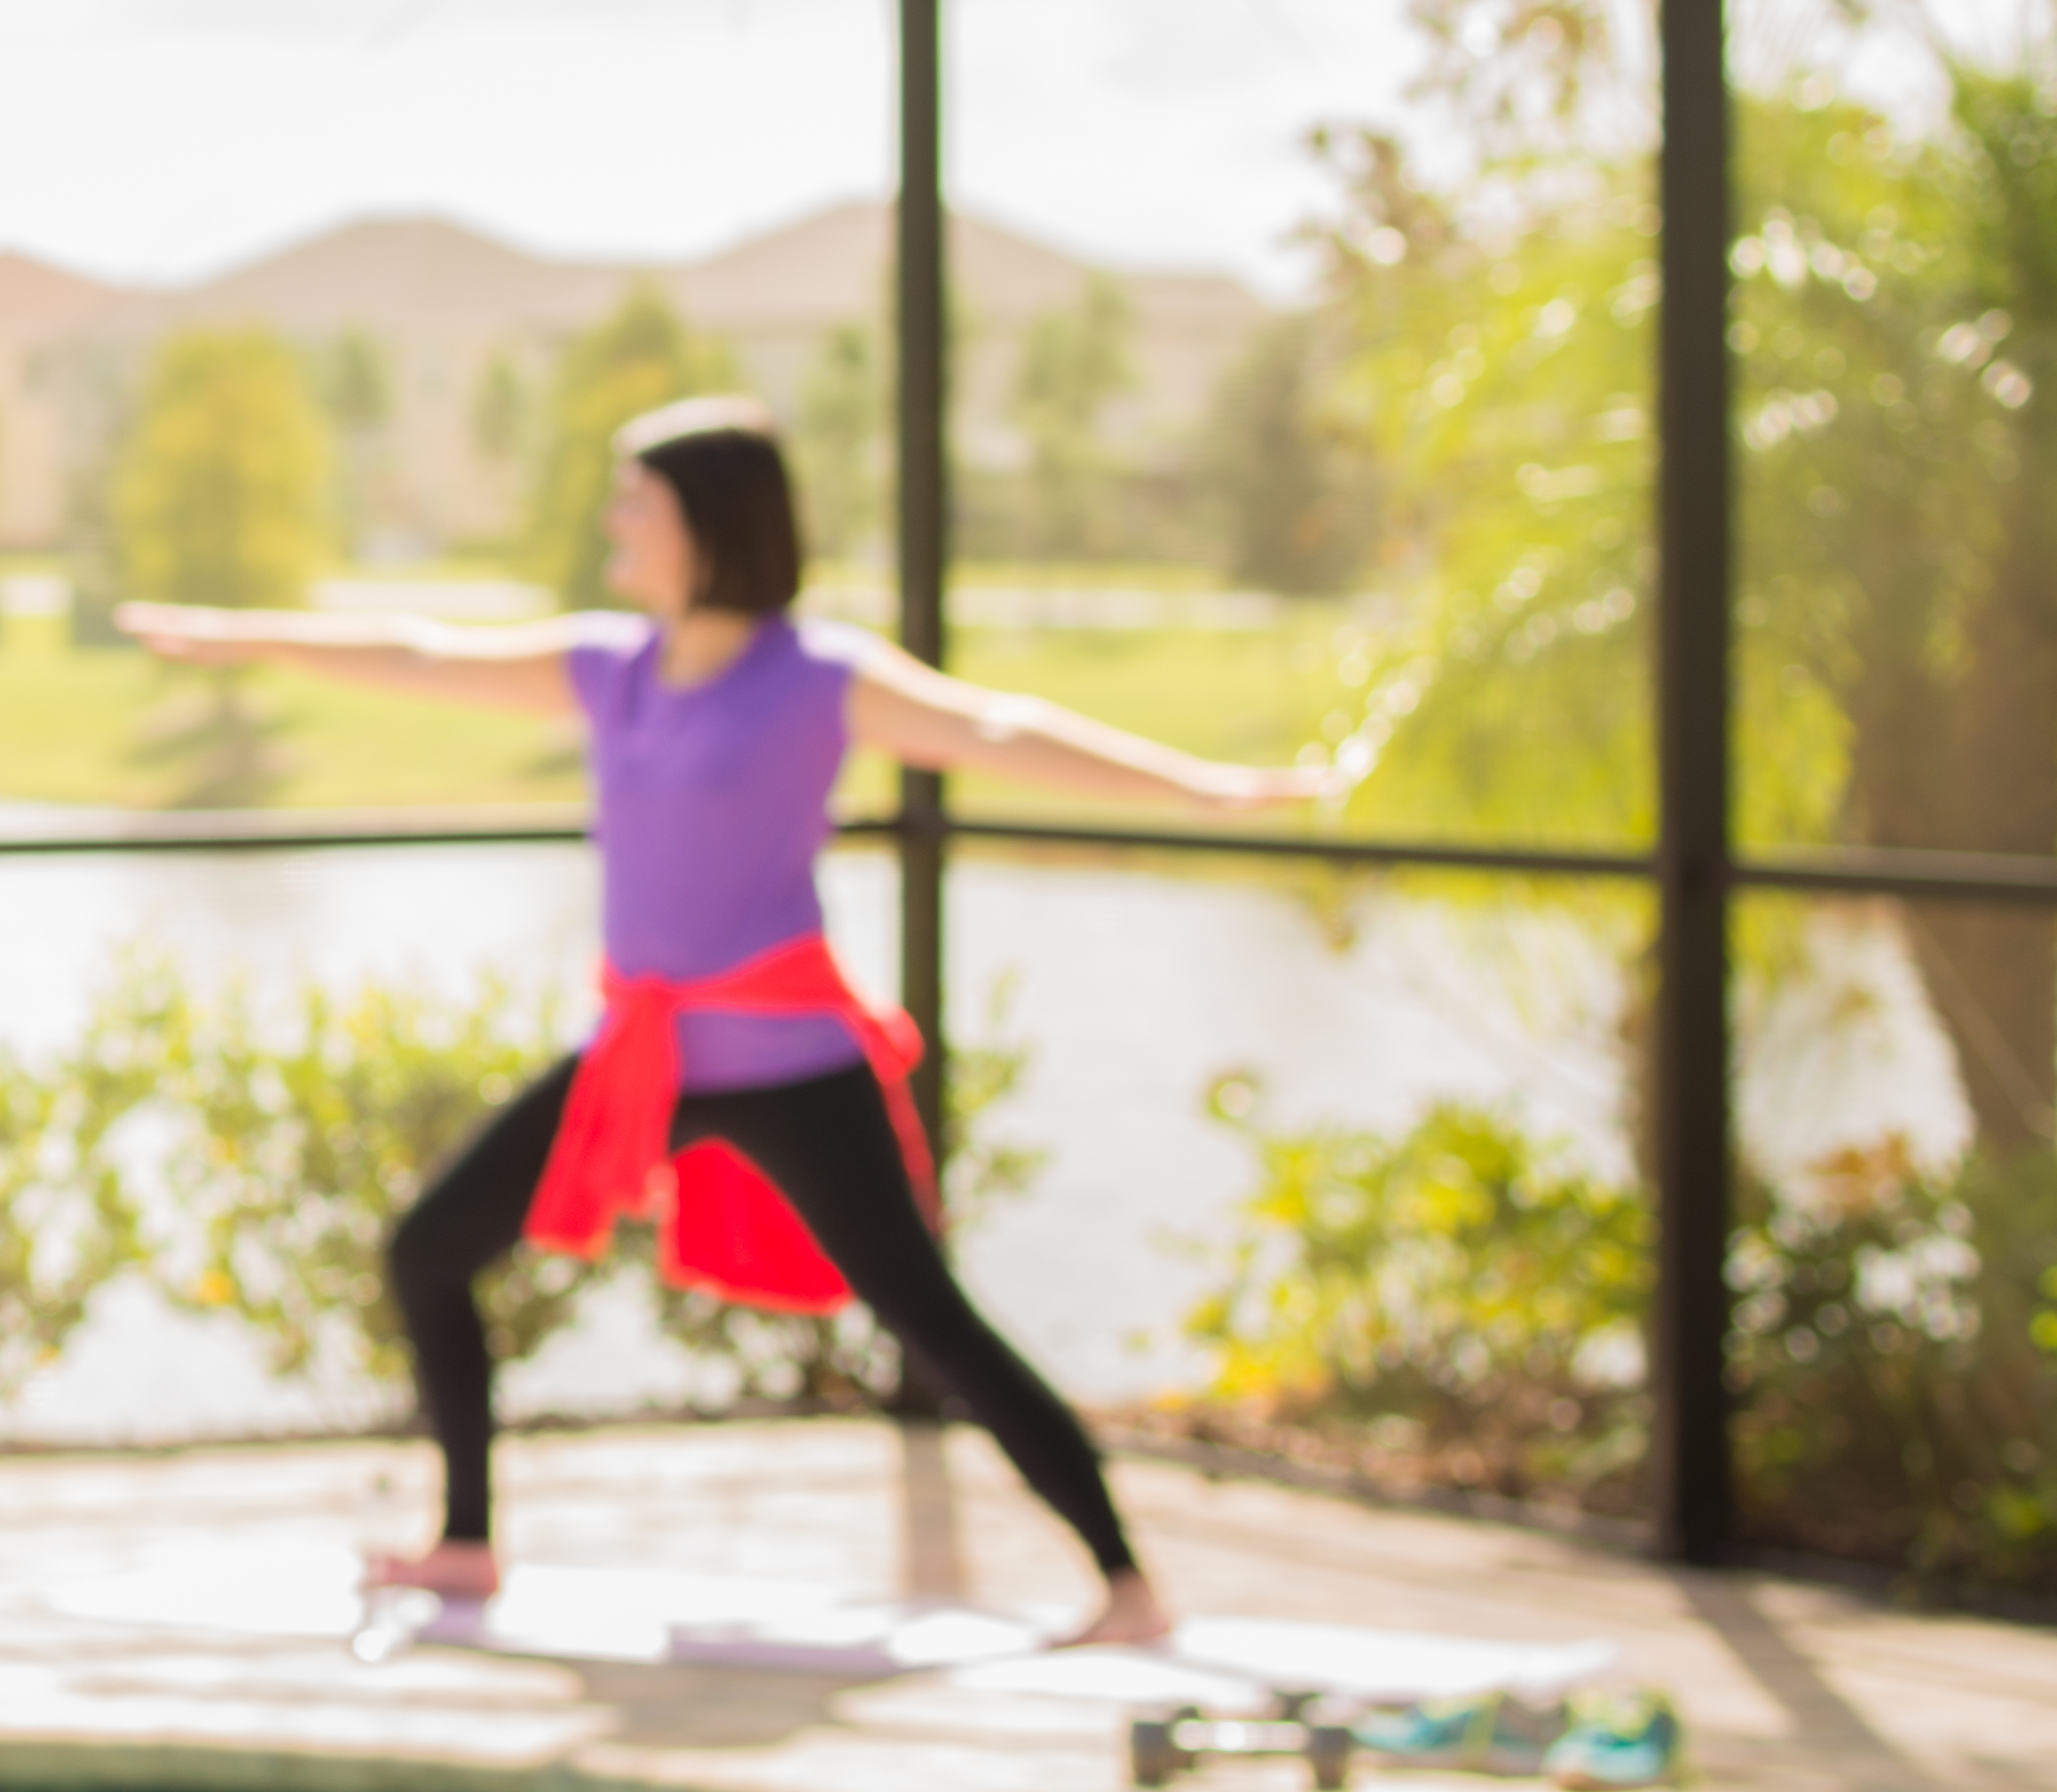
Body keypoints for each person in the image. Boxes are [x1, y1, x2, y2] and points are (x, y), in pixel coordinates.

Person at [130, 393, 1330, 1649]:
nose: (615, 522)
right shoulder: (610, 668)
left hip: (791, 1063)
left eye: (635, 504)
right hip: (642, 1059)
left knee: (928, 1318)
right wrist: (241, 636)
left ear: (707, 525)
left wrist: (1213, 790)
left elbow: (997, 730)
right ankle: (469, 1545)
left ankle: (1127, 1587)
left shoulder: (816, 679)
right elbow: (421, 653)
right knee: (428, 1249)